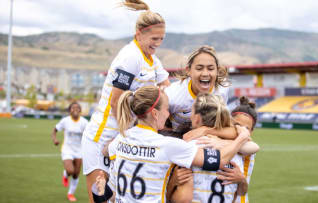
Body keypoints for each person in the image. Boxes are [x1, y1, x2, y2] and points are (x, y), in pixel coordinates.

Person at [92, 86, 251, 203]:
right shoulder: (168, 146)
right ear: (155, 113)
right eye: (167, 109)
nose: (168, 114)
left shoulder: (121, 139)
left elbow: (106, 150)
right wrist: (240, 138)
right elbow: (219, 160)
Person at [81, 0, 170, 202]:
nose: (158, 43)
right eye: (154, 38)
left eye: (161, 39)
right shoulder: (131, 57)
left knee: (120, 198)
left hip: (121, 136)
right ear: (138, 34)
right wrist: (126, 136)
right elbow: (116, 101)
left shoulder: (152, 59)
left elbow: (166, 86)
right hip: (104, 135)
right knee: (101, 199)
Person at [168, 95, 256, 203]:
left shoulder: (188, 149)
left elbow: (182, 199)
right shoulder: (236, 152)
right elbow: (234, 197)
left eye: (192, 111)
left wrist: (171, 185)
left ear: (197, 118)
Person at [51, 101, 88, 202]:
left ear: (80, 110)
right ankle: (65, 174)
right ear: (69, 110)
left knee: (76, 174)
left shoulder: (84, 122)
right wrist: (54, 139)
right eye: (73, 108)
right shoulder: (65, 121)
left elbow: (90, 135)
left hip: (79, 150)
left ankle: (70, 194)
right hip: (67, 149)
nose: (75, 109)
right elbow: (54, 130)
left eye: (77, 108)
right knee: (70, 170)